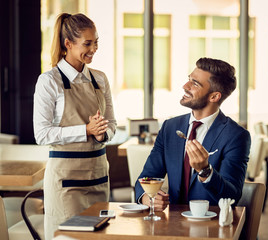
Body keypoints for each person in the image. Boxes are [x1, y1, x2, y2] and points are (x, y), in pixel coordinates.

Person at [33, 13, 116, 239]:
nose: (93, 48)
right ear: (68, 44)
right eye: (87, 43)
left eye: (96, 42)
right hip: (66, 183)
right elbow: (41, 134)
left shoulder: (100, 79)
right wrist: (85, 130)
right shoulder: (49, 81)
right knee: (68, 237)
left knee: (99, 236)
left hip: (99, 176)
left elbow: (112, 123)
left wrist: (102, 134)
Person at [135, 57, 251, 210]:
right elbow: (145, 178)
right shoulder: (170, 127)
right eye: (189, 79)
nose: (185, 86)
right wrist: (146, 198)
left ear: (214, 96)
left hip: (211, 225)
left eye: (195, 83)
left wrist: (205, 171)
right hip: (171, 225)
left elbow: (231, 197)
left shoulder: (236, 136)